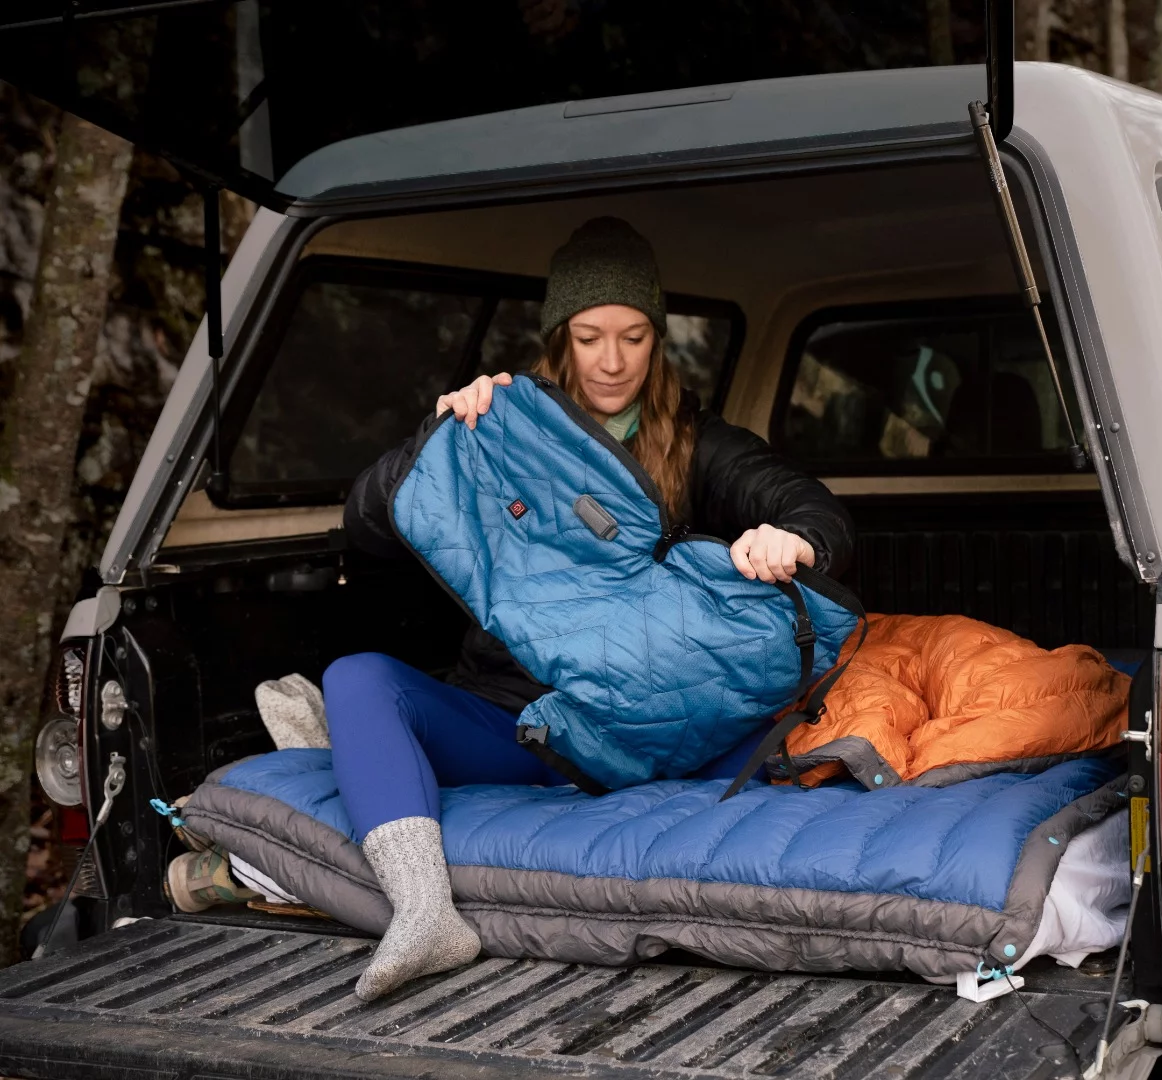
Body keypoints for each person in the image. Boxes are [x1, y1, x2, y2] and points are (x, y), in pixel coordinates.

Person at [327, 217, 855, 1001]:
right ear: (558, 341)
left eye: (633, 337)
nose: (612, 360)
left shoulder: (697, 443)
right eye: (589, 337)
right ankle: (425, 913)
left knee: (794, 730)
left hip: (643, 730)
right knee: (358, 680)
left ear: (657, 341)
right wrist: (437, 440)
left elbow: (814, 510)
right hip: (517, 722)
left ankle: (349, 746)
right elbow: (365, 523)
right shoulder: (500, 426)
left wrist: (793, 539)